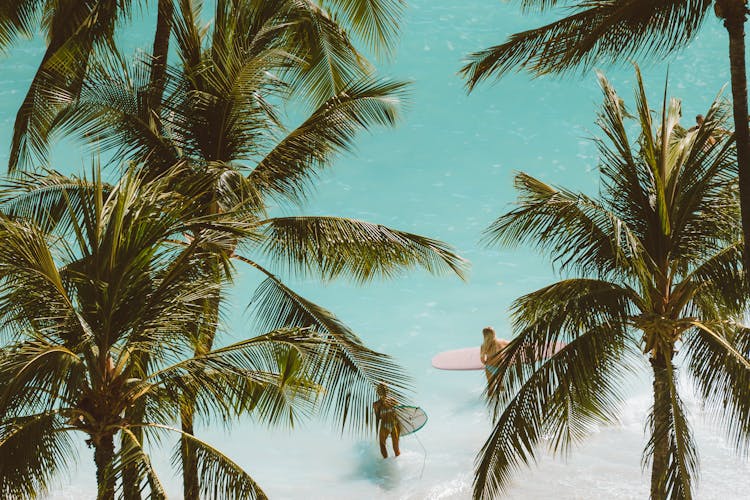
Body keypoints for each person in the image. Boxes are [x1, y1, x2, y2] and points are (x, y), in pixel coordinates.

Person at [373, 383, 400, 458]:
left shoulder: (376, 404)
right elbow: (399, 412)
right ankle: (397, 465)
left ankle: (386, 464)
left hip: (385, 425)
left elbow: (378, 417)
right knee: (396, 447)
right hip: (394, 424)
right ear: (387, 391)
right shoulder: (393, 401)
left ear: (378, 392)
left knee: (382, 445)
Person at [480, 326, 509, 396]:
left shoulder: (483, 346)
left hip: (489, 367)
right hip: (500, 365)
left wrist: (486, 363)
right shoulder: (500, 342)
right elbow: (511, 344)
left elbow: (482, 360)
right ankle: (503, 400)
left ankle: (490, 403)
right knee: (501, 385)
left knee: (491, 387)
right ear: (494, 334)